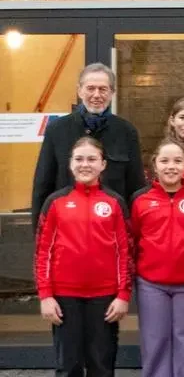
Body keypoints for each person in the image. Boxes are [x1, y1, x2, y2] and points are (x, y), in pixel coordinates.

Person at [35, 137, 133, 377]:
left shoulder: (115, 202)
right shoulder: (55, 202)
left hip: (105, 298)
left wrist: (123, 295)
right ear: (70, 163)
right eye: (79, 159)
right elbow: (42, 252)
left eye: (92, 159)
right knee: (69, 366)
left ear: (103, 164)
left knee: (102, 366)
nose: (85, 164)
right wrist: (45, 295)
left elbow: (126, 252)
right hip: (64, 298)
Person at [130, 138, 184, 377]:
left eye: (177, 161)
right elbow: (133, 239)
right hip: (151, 285)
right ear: (155, 164)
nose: (171, 166)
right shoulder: (140, 199)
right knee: (155, 341)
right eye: (164, 161)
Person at [32, 63, 145, 231]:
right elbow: (43, 184)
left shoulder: (127, 132)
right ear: (80, 91)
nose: (96, 95)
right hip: (67, 230)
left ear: (112, 93)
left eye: (103, 89)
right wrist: (39, 234)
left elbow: (136, 187)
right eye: (90, 88)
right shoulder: (57, 130)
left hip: (111, 231)